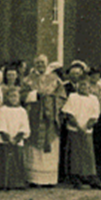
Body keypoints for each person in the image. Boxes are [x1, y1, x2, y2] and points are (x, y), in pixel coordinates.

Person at [62, 61, 101, 190]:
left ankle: (91, 177)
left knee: (88, 154)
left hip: (87, 130)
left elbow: (95, 115)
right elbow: (69, 114)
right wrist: (78, 126)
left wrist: (87, 126)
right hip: (74, 129)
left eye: (86, 85)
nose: (84, 87)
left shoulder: (93, 99)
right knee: (75, 153)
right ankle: (76, 177)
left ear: (89, 86)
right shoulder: (73, 96)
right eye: (81, 85)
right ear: (78, 86)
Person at [22, 54, 65, 187]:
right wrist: (36, 95)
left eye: (42, 63)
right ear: (34, 64)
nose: (40, 65)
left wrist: (51, 102)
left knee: (50, 147)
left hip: (50, 118)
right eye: (38, 63)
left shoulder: (55, 79)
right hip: (33, 116)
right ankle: (34, 179)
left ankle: (49, 179)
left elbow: (62, 96)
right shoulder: (28, 79)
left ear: (47, 64)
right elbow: (21, 95)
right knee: (33, 149)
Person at [0, 86, 30, 190]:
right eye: (11, 96)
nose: (13, 99)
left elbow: (25, 126)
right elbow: (1, 125)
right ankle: (4, 183)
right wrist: (7, 137)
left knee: (18, 160)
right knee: (5, 161)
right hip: (6, 139)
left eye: (16, 96)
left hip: (17, 139)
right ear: (7, 97)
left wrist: (18, 137)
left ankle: (18, 183)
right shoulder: (3, 110)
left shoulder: (22, 111)